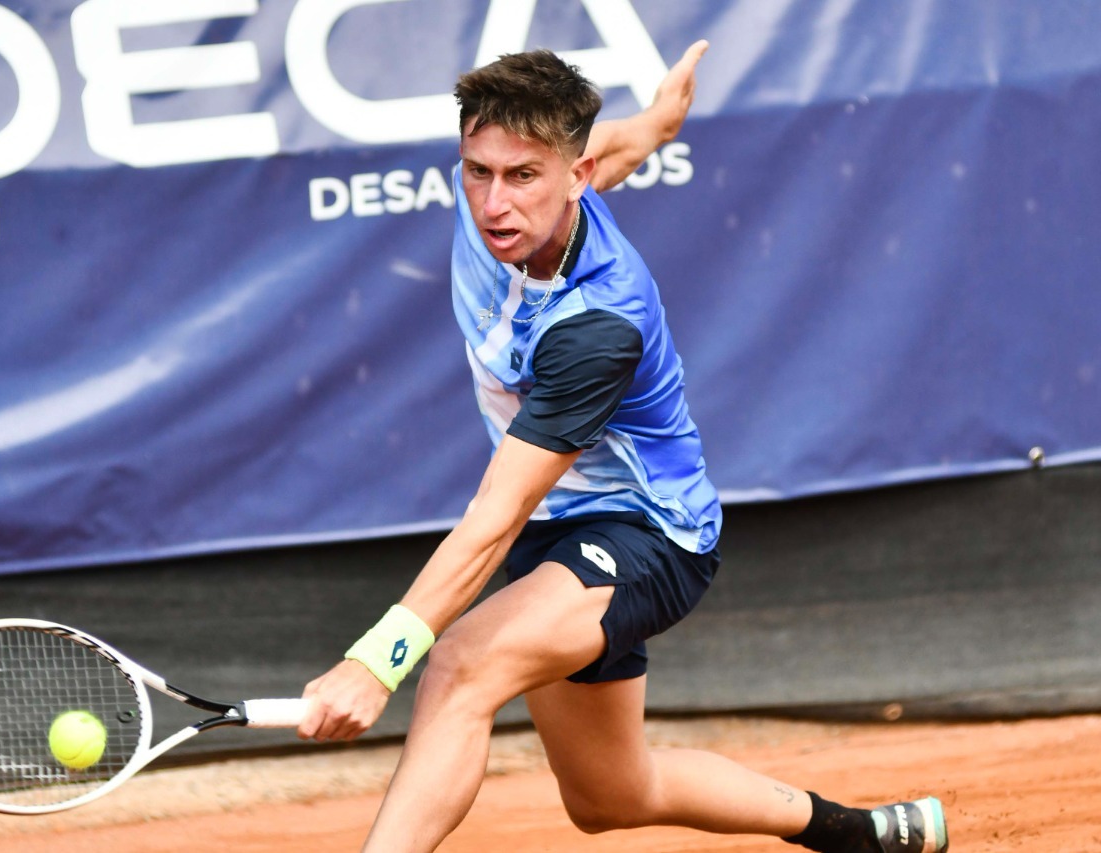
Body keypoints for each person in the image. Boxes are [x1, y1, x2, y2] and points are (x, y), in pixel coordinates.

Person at [297, 41, 949, 853]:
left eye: (523, 176)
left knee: (458, 666)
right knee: (610, 793)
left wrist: (377, 659)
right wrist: (659, 124)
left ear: (573, 177)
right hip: (558, 532)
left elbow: (497, 515)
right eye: (477, 170)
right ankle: (858, 832)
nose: (494, 202)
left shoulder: (597, 325)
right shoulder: (517, 201)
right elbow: (616, 145)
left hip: (649, 533)